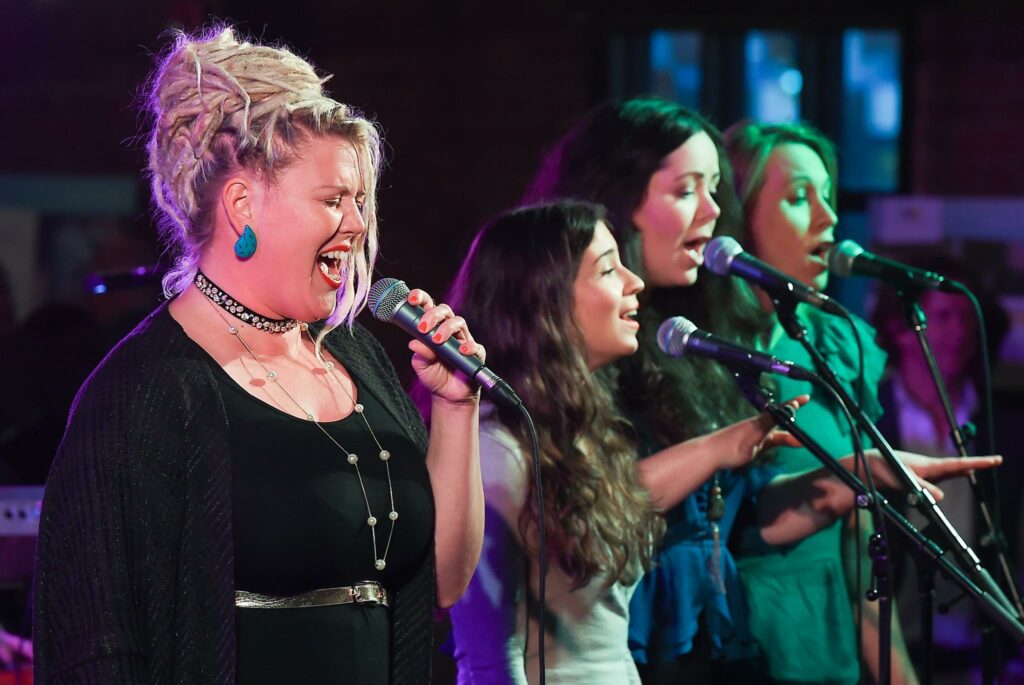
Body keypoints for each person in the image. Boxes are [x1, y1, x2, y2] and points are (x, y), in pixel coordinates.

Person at [33, 26, 485, 685]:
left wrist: (457, 408)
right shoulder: (144, 392)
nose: (358, 224)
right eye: (332, 200)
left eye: (360, 201)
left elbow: (442, 582)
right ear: (242, 205)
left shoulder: (357, 356)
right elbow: (97, 648)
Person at [523, 98, 1000, 684]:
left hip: (711, 647)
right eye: (686, 190)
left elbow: (742, 519)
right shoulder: (578, 351)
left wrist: (855, 474)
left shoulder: (691, 340)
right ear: (616, 200)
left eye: (715, 189)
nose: (712, 211)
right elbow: (580, 516)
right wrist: (717, 449)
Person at [724, 120, 916, 684]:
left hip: (829, 650)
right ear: (738, 219)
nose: (828, 218)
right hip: (739, 646)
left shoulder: (832, 343)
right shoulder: (702, 353)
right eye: (798, 198)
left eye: (827, 197)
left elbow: (860, 546)